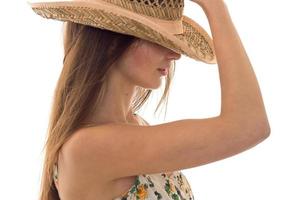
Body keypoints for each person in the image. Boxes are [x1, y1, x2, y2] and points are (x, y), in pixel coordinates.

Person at [28, 0, 271, 199]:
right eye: (158, 38)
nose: (175, 54)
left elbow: (249, 126)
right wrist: (215, 5)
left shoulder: (134, 126)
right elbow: (249, 125)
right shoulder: (88, 148)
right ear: (113, 40)